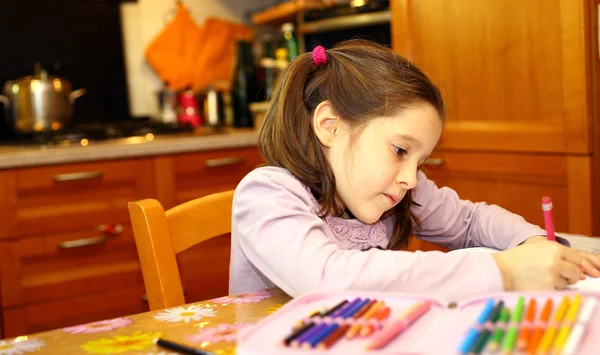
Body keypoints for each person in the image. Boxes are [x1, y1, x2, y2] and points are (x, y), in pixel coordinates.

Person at [229, 40, 600, 300]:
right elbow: (326, 277)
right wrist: (502, 271)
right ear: (330, 125)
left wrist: (530, 244)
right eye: (400, 150)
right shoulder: (268, 194)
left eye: (418, 162)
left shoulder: (399, 190)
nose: (410, 177)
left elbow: (470, 222)